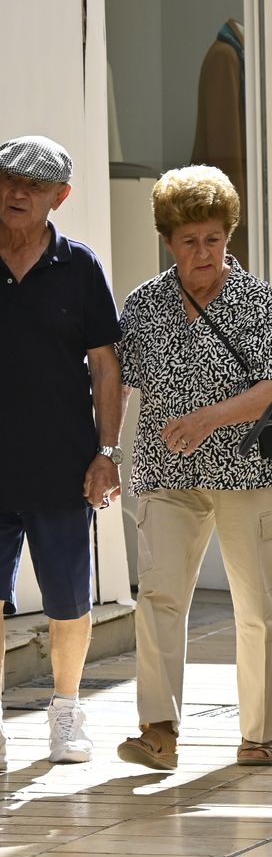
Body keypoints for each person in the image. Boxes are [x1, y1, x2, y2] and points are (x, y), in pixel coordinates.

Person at [113, 165, 272, 772]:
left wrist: (206, 419)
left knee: (258, 604)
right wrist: (107, 451)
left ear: (229, 237)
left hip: (248, 470)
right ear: (168, 241)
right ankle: (158, 730)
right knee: (159, 596)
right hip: (168, 473)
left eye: (213, 238)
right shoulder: (141, 306)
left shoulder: (259, 301)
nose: (203, 252)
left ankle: (259, 734)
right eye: (189, 240)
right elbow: (116, 382)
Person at [0, 135, 122, 770]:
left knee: (69, 597)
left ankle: (67, 711)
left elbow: (106, 364)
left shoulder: (80, 267)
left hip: (63, 462)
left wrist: (108, 450)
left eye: (33, 186)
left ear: (59, 197)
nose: (17, 192)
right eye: (8, 180)